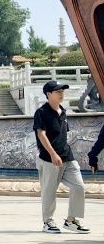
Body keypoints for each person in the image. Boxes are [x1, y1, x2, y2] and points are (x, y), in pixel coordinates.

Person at [34, 81, 89, 234]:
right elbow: (41, 134)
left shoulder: (63, 111)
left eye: (62, 91)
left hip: (67, 157)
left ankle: (71, 220)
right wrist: (53, 154)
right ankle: (48, 222)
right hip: (48, 158)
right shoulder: (41, 112)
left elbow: (62, 135)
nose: (61, 93)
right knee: (49, 191)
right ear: (48, 94)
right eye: (57, 91)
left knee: (79, 187)